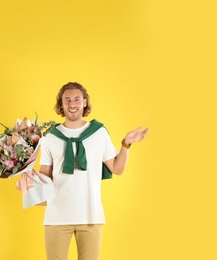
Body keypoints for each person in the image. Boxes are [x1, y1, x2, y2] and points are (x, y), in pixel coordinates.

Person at [18, 82, 149, 260]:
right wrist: (27, 181)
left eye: (77, 99)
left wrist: (126, 144)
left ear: (85, 102)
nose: (72, 104)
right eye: (67, 100)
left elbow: (117, 169)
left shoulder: (99, 133)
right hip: (56, 217)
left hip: (91, 216)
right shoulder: (50, 137)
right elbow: (45, 177)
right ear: (61, 104)